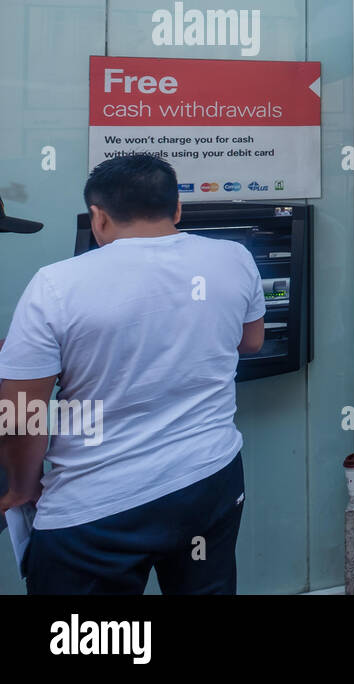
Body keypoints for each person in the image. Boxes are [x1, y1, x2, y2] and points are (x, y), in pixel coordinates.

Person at [0, 154, 265, 594]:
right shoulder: (233, 258)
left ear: (98, 216)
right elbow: (250, 341)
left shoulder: (56, 284)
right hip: (210, 478)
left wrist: (21, 488)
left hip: (95, 506)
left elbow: (23, 408)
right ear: (177, 209)